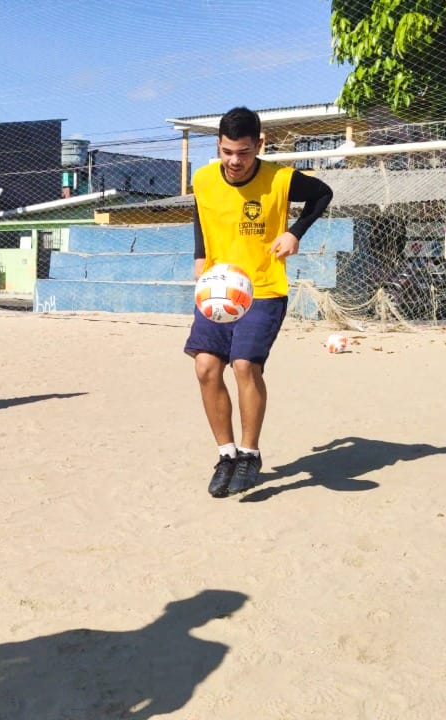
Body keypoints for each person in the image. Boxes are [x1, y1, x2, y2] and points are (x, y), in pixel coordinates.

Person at [185, 107, 334, 498]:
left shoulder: (281, 180)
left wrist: (295, 231)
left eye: (244, 152)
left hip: (263, 287)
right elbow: (202, 214)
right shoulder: (202, 178)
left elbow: (323, 193)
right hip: (219, 286)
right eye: (227, 152)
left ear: (260, 146)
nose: (235, 161)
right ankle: (227, 454)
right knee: (204, 367)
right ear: (218, 145)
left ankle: (250, 454)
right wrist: (200, 256)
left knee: (245, 365)